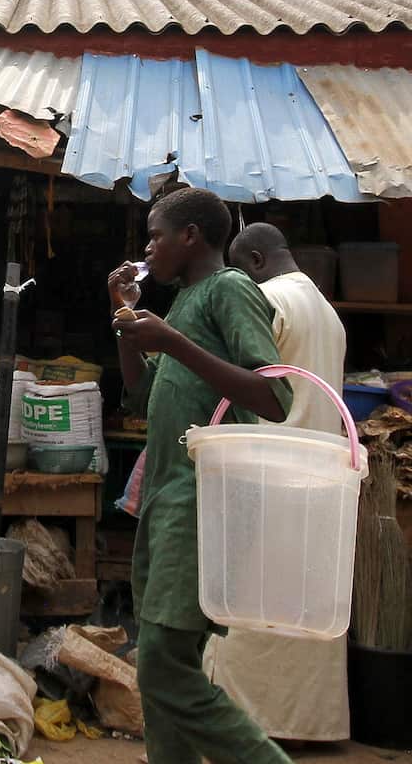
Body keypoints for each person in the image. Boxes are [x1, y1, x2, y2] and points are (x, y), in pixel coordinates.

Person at [110, 187, 294, 764]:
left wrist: (170, 339)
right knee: (162, 668)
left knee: (162, 664)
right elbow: (140, 391)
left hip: (201, 500)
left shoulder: (230, 289)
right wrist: (126, 319)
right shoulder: (188, 302)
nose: (148, 248)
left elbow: (274, 394)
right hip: (166, 501)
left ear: (190, 236)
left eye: (156, 235)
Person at [205, 222, 349, 742]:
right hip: (319, 475)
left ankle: (246, 728)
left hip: (266, 469)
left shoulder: (265, 299)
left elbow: (247, 384)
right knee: (306, 607)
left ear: (256, 263)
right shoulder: (327, 311)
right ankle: (310, 724)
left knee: (248, 606)